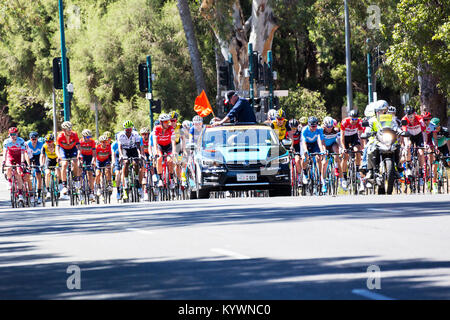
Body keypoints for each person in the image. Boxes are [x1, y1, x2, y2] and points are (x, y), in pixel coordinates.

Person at [401, 106, 427, 186]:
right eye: (408, 116)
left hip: (419, 135)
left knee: (421, 152)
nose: (410, 118)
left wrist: (425, 143)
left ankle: (421, 171)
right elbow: (405, 134)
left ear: (414, 114)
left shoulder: (420, 119)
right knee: (408, 146)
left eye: (411, 116)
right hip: (410, 135)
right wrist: (406, 145)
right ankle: (408, 166)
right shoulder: (404, 120)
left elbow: (424, 132)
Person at [117, 120, 142, 200]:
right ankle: (126, 180)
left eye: (129, 130)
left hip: (133, 149)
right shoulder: (120, 135)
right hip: (125, 149)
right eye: (126, 130)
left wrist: (139, 154)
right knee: (126, 162)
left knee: (136, 163)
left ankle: (137, 178)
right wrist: (121, 155)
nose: (128, 131)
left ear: (132, 129)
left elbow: (138, 146)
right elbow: (120, 147)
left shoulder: (135, 134)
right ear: (124, 129)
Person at [340, 109, 364, 190]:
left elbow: (361, 136)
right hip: (345, 138)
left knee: (357, 151)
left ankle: (357, 170)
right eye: (352, 119)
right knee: (345, 156)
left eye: (355, 119)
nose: (354, 121)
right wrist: (343, 148)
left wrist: (362, 148)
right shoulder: (344, 122)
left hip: (354, 137)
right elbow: (342, 137)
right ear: (349, 117)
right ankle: (344, 177)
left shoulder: (359, 122)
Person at [301, 116, 327, 191]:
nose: (313, 128)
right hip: (307, 144)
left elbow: (321, 141)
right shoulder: (305, 130)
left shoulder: (319, 129)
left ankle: (319, 177)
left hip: (315, 144)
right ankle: (304, 172)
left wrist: (323, 151)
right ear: (309, 125)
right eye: (312, 126)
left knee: (318, 158)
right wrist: (305, 151)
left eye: (315, 126)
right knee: (305, 157)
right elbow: (303, 142)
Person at [56, 121, 81, 196]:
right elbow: (57, 148)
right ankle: (64, 185)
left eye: (70, 129)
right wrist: (59, 156)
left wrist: (79, 154)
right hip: (63, 150)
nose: (70, 131)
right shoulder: (60, 136)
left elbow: (78, 146)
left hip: (72, 149)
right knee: (64, 164)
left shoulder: (74, 134)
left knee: (75, 162)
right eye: (68, 129)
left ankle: (76, 180)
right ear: (64, 130)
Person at [2, 127, 27, 203]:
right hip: (10, 156)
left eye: (14, 134)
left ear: (17, 134)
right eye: (11, 134)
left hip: (19, 157)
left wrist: (22, 162)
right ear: (9, 134)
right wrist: (3, 162)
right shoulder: (7, 141)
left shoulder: (21, 141)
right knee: (9, 168)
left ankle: (20, 195)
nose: (13, 136)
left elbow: (23, 152)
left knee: (19, 174)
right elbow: (5, 153)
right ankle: (10, 181)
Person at [154, 113, 176, 188]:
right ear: (161, 122)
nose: (168, 123)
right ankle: (160, 179)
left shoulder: (171, 128)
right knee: (159, 159)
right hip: (160, 146)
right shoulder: (156, 128)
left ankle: (171, 178)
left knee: (170, 160)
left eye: (168, 121)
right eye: (166, 122)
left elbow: (173, 142)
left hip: (168, 146)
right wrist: (156, 151)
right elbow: (155, 142)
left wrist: (173, 152)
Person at [40, 133, 61, 199]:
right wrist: (41, 164)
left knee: (57, 171)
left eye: (50, 141)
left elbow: (59, 154)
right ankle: (48, 190)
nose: (48, 143)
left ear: (53, 141)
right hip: (48, 160)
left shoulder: (56, 146)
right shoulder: (44, 146)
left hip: (56, 159)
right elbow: (42, 156)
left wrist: (59, 161)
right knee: (47, 173)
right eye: (47, 141)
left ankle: (58, 186)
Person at [25, 131, 44, 203]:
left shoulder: (41, 144)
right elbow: (26, 155)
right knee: (27, 175)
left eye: (35, 139)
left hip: (38, 157)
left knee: (38, 175)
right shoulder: (27, 144)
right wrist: (29, 165)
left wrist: (41, 164)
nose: (34, 141)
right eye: (32, 139)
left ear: (37, 139)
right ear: (30, 139)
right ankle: (30, 194)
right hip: (29, 156)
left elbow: (42, 155)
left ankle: (39, 195)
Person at [78, 129, 96, 201]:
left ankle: (91, 192)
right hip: (82, 156)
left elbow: (94, 153)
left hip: (89, 157)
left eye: (89, 137)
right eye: (87, 137)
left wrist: (93, 161)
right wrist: (80, 160)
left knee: (90, 174)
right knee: (80, 169)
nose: (88, 139)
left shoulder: (92, 142)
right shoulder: (80, 142)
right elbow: (78, 153)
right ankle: (80, 187)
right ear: (83, 137)